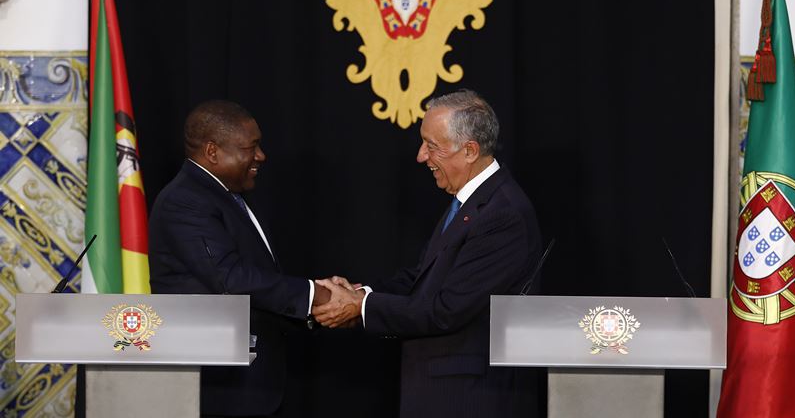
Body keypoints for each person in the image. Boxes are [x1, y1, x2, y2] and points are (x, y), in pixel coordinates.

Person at [313, 89, 543, 418]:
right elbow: (425, 278)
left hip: (470, 399)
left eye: (432, 146)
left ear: (469, 150)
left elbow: (445, 310)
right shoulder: (473, 203)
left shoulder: (501, 214)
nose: (421, 156)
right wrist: (360, 293)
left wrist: (360, 308)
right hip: (443, 391)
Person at [148, 100, 328, 418]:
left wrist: (313, 306)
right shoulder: (185, 201)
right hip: (220, 389)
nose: (261, 156)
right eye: (251, 147)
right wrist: (316, 295)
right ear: (213, 151)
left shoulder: (230, 195)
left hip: (254, 382)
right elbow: (230, 278)